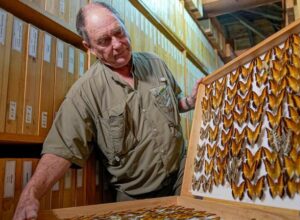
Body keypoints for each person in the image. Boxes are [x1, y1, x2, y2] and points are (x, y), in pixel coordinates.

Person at [13, 2, 201, 219]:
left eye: (119, 32)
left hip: (183, 176)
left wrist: (190, 101)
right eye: (104, 41)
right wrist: (31, 193)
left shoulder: (155, 63)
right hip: (138, 197)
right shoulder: (85, 92)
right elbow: (62, 148)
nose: (118, 44)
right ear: (90, 48)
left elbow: (173, 103)